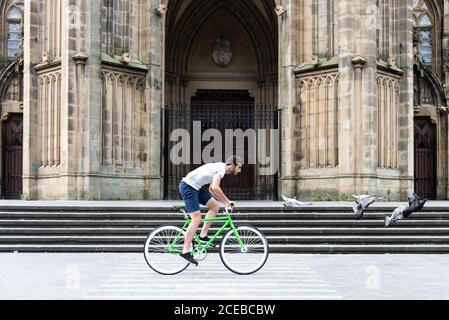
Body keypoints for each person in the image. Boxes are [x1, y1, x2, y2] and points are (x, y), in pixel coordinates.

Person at [178, 155, 243, 265]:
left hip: (196, 188)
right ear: (232, 165)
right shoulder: (220, 170)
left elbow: (211, 189)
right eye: (239, 167)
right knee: (196, 219)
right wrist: (227, 202)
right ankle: (185, 251)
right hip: (188, 187)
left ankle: (203, 235)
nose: (240, 170)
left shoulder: (220, 169)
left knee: (215, 206)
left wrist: (224, 203)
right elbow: (215, 188)